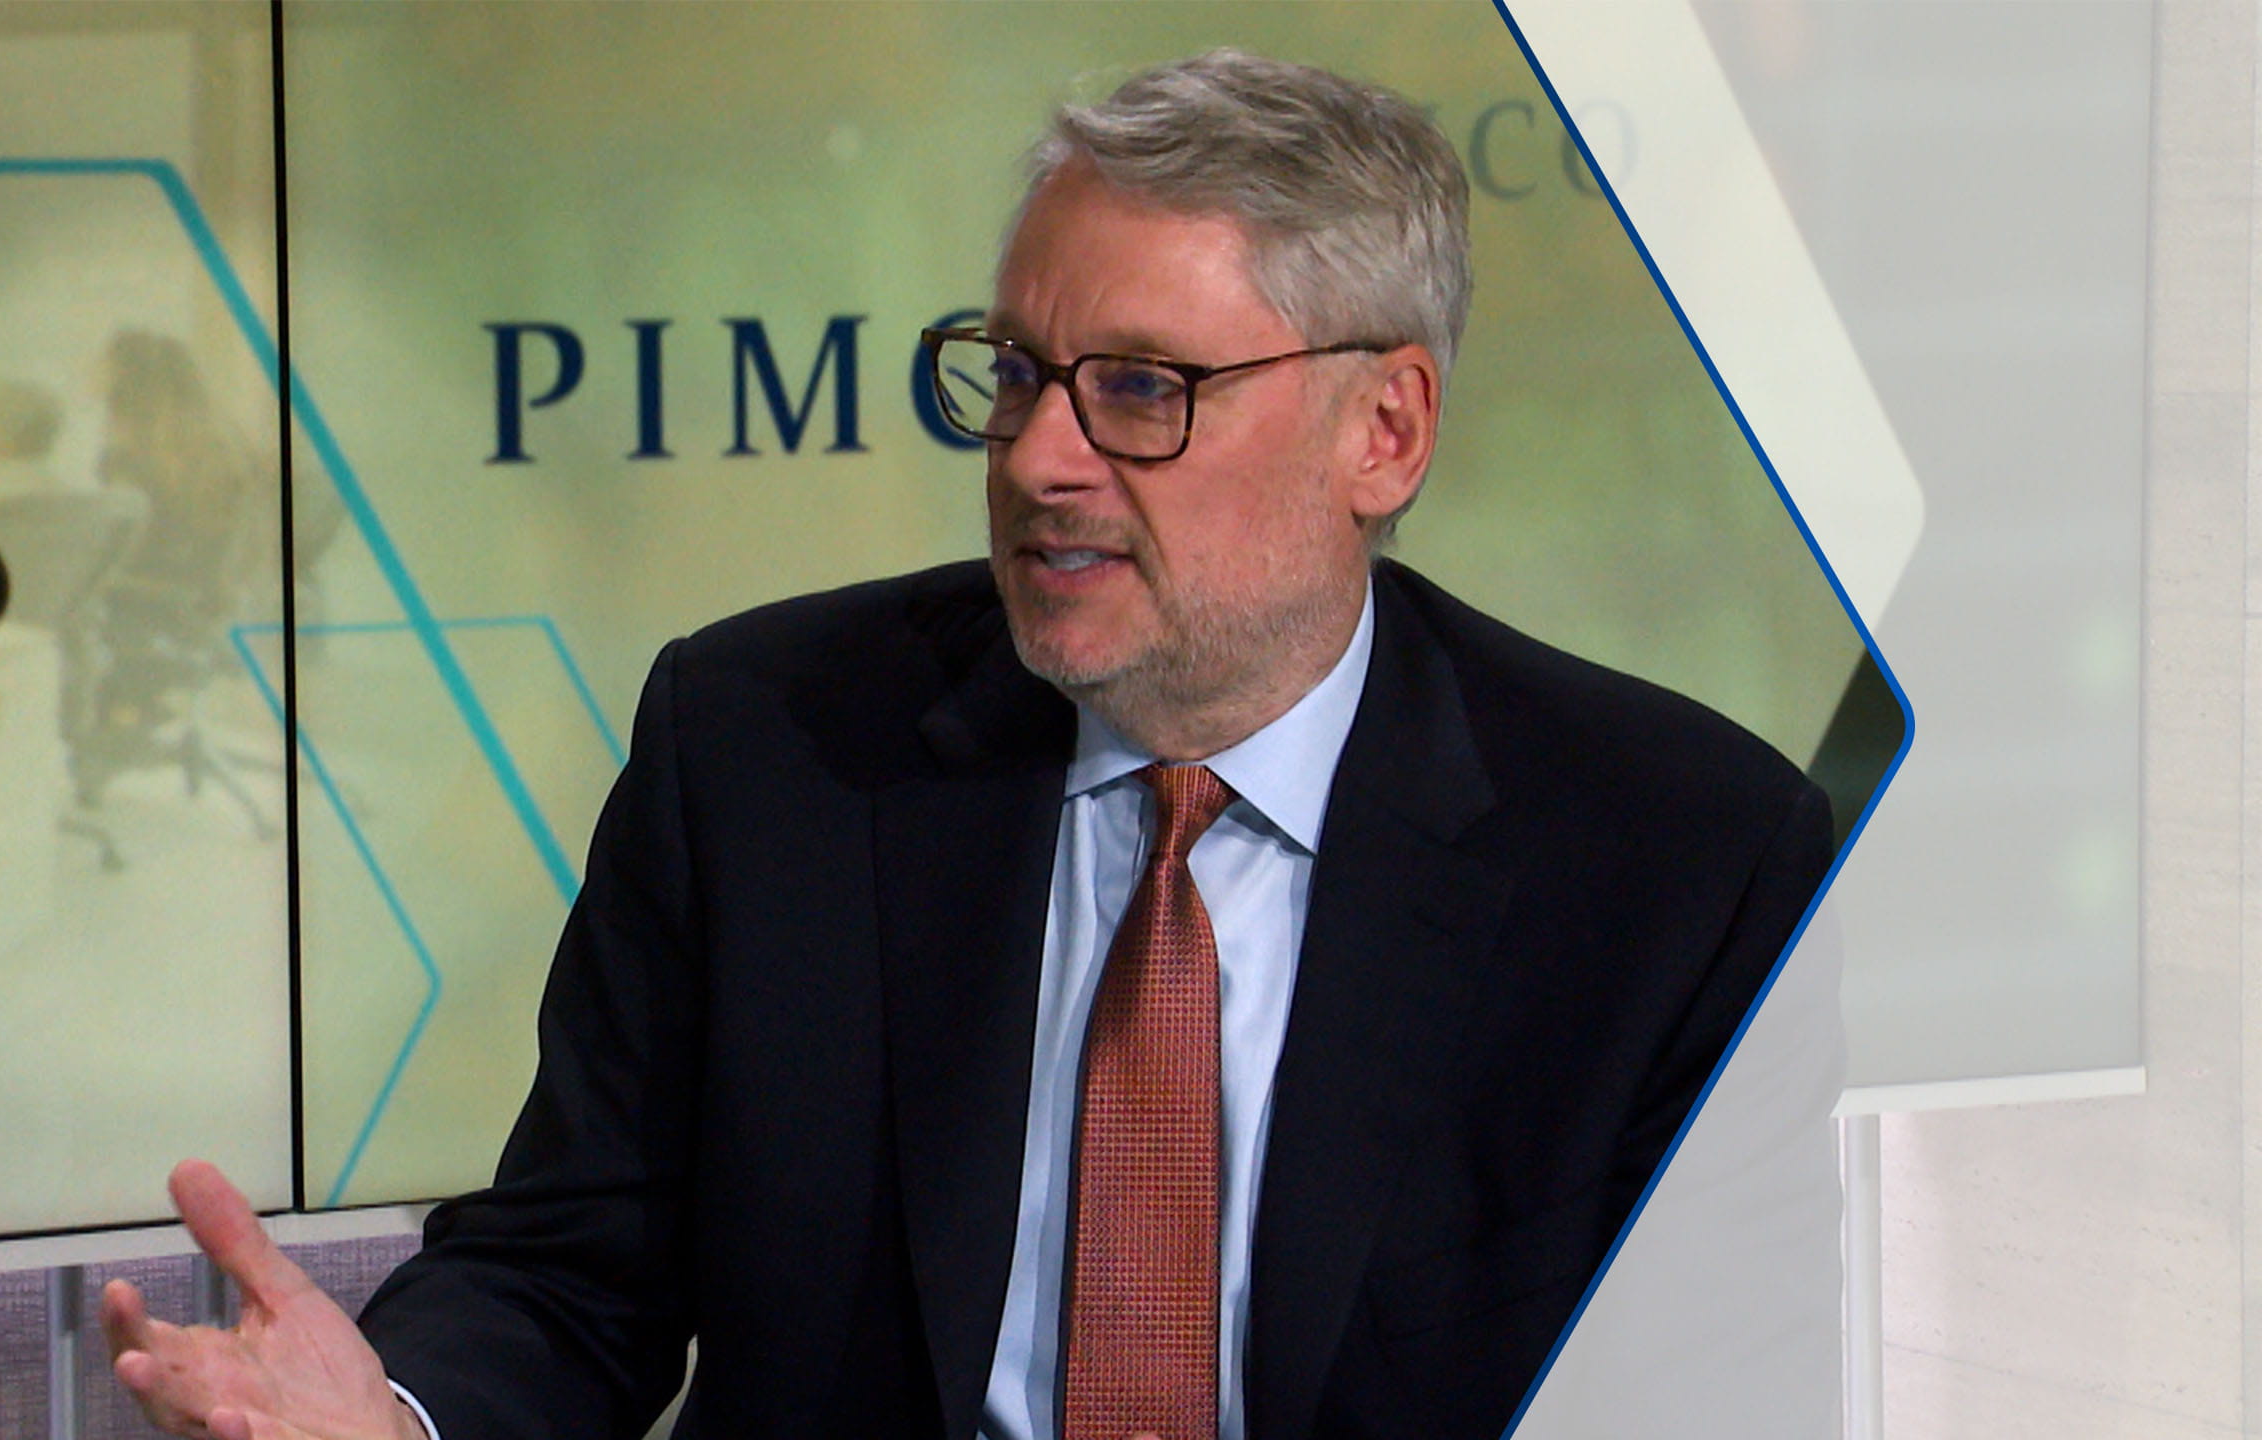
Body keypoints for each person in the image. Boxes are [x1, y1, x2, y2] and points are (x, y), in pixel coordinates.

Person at [105, 49, 1835, 1440]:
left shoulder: (1675, 860)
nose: (1039, 460)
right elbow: (576, 1271)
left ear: (1381, 430)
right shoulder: (768, 748)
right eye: (1015, 374)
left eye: (1142, 389)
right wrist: (399, 1417)